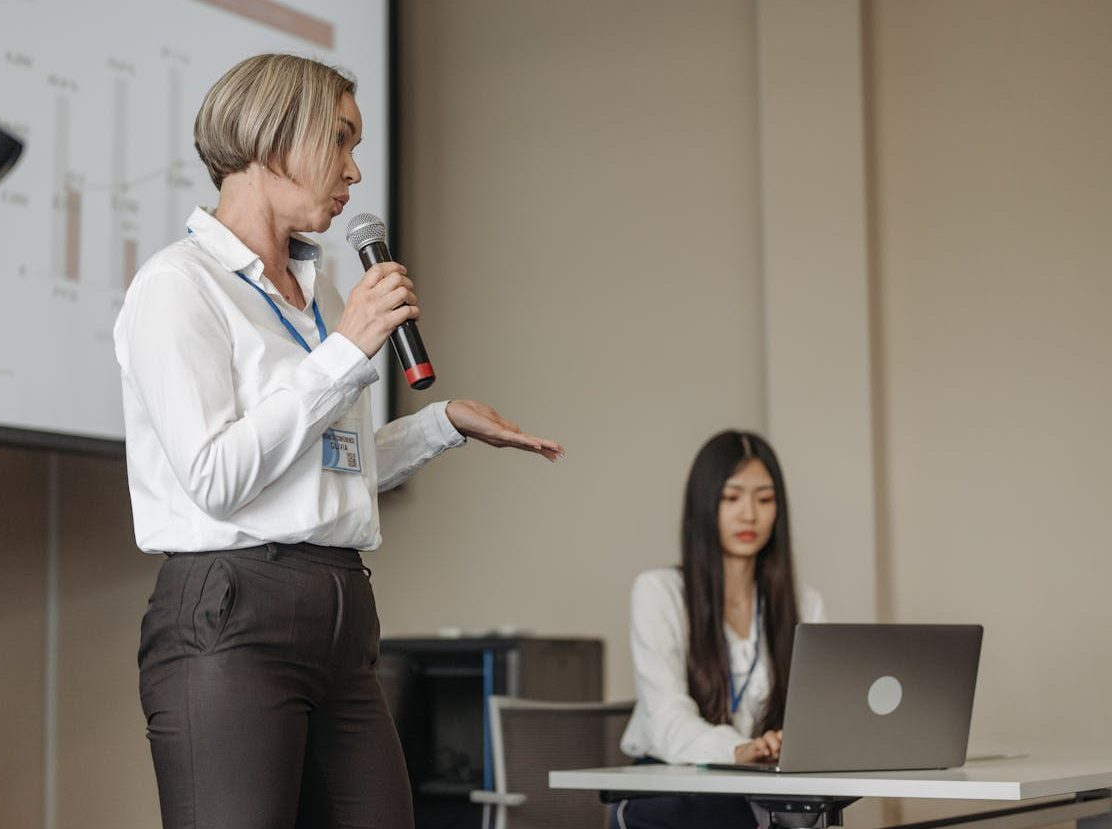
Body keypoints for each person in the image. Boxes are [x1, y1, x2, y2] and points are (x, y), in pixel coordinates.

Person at [113, 54, 563, 829]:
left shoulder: (315, 293)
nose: (355, 170)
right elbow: (217, 477)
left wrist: (439, 424)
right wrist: (346, 352)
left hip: (342, 612)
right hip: (233, 610)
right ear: (271, 134)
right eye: (341, 141)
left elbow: (323, 473)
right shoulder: (177, 286)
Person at [611, 430, 825, 829]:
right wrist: (741, 750)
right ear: (704, 505)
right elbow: (666, 717)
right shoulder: (660, 592)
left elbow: (819, 713)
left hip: (761, 790)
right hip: (675, 792)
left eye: (764, 499)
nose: (749, 514)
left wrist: (784, 743)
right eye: (731, 498)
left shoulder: (803, 602)